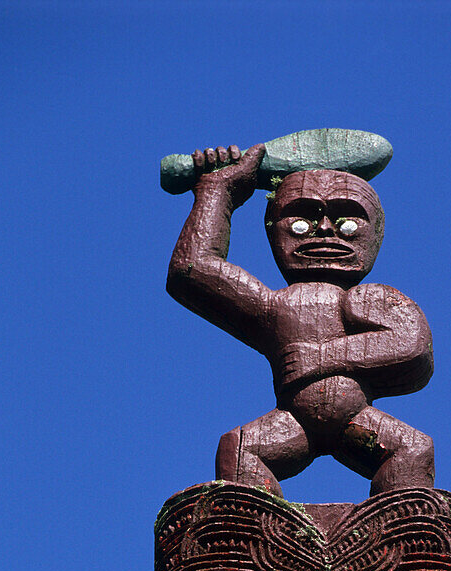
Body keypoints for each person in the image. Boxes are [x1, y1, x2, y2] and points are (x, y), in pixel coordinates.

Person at [167, 144, 435, 497]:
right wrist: (218, 190)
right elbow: (194, 269)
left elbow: (412, 344)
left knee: (413, 449)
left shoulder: (372, 298)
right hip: (293, 422)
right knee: (239, 447)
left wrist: (324, 356)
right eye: (301, 221)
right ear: (273, 231)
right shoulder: (274, 306)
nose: (324, 230)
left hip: (356, 418)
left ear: (376, 234)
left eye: (348, 222)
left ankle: (403, 532)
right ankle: (257, 533)